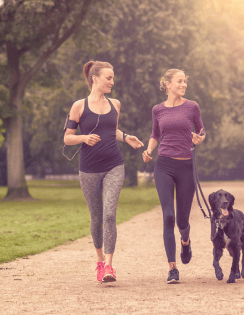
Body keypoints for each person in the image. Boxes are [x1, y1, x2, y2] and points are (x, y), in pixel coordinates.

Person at [63, 61, 144, 283]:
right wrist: (83, 138)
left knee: (109, 215)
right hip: (88, 169)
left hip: (114, 165)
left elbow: (112, 130)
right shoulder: (79, 106)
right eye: (108, 78)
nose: (112, 82)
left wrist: (126, 137)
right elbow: (67, 138)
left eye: (113, 78)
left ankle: (109, 266)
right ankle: (99, 261)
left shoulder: (115, 104)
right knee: (96, 217)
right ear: (95, 78)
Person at [142, 69, 206, 284]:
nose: (183, 85)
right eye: (179, 81)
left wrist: (199, 139)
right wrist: (149, 150)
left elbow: (202, 130)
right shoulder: (157, 110)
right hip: (164, 166)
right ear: (167, 84)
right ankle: (172, 268)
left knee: (182, 220)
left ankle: (185, 241)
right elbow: (155, 134)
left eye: (185, 81)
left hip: (186, 167)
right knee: (168, 216)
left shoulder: (192, 107)